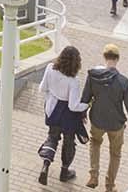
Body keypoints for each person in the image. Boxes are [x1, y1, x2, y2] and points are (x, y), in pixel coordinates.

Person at [81, 44, 128, 192]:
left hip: (97, 120)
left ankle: (93, 176)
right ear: (118, 59)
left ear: (104, 57)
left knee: (95, 144)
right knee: (115, 154)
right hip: (116, 124)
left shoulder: (93, 76)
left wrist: (82, 114)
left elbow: (85, 98)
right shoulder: (123, 81)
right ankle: (109, 185)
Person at [39, 45, 89, 185]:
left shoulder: (50, 68)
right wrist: (87, 105)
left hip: (52, 109)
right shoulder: (73, 81)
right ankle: (64, 171)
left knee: (52, 137)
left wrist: (52, 93)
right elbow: (73, 106)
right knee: (69, 143)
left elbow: (42, 88)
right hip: (68, 116)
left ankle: (45, 166)